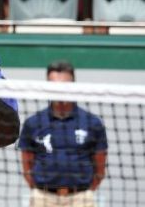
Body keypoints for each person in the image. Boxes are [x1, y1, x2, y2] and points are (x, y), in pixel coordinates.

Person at [18, 60, 108, 207]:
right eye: (53, 84)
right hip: (43, 198)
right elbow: (27, 166)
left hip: (81, 198)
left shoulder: (93, 123)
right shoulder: (33, 123)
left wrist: (87, 192)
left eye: (64, 84)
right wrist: (38, 191)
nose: (59, 89)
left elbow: (100, 168)